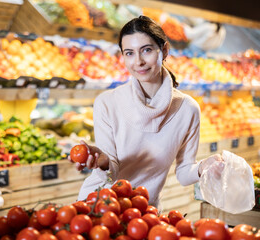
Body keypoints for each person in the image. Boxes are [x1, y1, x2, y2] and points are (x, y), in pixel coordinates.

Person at [69, 15, 224, 207]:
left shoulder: (187, 109)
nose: (138, 61)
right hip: (98, 204)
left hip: (144, 212)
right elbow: (111, 171)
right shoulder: (107, 103)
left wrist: (204, 167)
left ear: (164, 50)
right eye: (129, 53)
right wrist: (103, 161)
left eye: (147, 50)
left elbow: (184, 174)